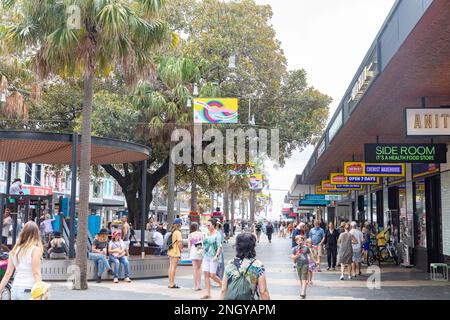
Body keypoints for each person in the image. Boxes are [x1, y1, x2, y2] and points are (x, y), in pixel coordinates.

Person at [0, 221, 43, 300]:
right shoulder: (35, 250)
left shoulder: (14, 250)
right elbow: (36, 273)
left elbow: (7, 274)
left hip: (15, 288)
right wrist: (40, 291)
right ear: (36, 234)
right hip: (28, 289)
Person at [221, 233, 270, 300]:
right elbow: (263, 291)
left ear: (237, 246)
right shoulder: (258, 265)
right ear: (252, 246)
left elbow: (223, 290)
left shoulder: (230, 264)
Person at [201, 218, 222, 299]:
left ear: (213, 225)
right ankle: (208, 293)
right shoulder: (206, 233)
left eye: (209, 225)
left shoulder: (217, 234)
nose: (207, 227)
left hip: (213, 257)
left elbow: (219, 246)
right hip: (206, 256)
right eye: (206, 225)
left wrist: (216, 256)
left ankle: (223, 286)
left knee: (212, 275)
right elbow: (203, 243)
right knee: (206, 274)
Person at [167, 218, 183, 289]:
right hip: (176, 251)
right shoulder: (178, 232)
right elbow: (179, 243)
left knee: (171, 267)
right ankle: (172, 283)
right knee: (173, 267)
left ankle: (170, 282)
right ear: (179, 224)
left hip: (170, 251)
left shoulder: (172, 232)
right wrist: (181, 251)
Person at [188, 222, 203, 291]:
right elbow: (203, 242)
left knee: (194, 269)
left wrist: (189, 253)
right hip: (199, 250)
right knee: (199, 268)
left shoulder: (190, 235)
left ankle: (195, 285)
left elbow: (189, 246)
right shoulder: (200, 234)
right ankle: (199, 285)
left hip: (193, 251)